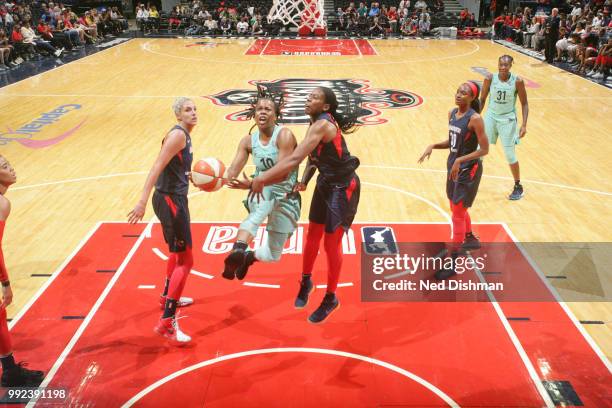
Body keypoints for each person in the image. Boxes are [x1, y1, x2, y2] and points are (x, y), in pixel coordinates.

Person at [250, 87, 361, 324]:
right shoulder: (314, 124)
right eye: (308, 96)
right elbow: (313, 158)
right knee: (312, 236)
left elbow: (294, 159)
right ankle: (306, 281)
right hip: (325, 183)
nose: (308, 98)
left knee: (331, 245)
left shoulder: (322, 125)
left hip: (343, 188)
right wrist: (304, 181)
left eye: (315, 97)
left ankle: (331, 298)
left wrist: (262, 177)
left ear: (326, 107)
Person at [128, 98, 197, 345]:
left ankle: (166, 295)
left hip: (173, 198)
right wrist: (141, 201)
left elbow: (175, 168)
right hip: (170, 201)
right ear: (178, 115)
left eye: (195, 109)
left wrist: (192, 178)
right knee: (186, 260)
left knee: (176, 254)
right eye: (188, 110)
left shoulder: (184, 135)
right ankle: (167, 320)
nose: (193, 113)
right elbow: (157, 166)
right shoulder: (178, 136)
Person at [222, 87, 301, 281]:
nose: (263, 112)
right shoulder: (248, 141)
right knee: (260, 208)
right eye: (259, 109)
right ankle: (238, 248)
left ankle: (248, 257)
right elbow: (232, 171)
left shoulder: (284, 136)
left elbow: (283, 173)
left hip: (286, 195)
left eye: (268, 109)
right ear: (254, 114)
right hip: (262, 190)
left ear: (276, 115)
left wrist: (251, 184)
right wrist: (208, 179)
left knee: (273, 255)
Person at [418, 82, 489, 280]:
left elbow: (484, 149)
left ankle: (453, 262)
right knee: (454, 206)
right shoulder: (452, 113)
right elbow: (454, 141)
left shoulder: (475, 120)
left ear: (472, 98)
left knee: (457, 213)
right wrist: (433, 144)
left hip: (468, 168)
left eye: (464, 93)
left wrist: (460, 159)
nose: (458, 95)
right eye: (458, 91)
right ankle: (470, 238)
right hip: (454, 166)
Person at [0, 156, 45, 387]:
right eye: (5, 167)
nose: (12, 168)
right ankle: (10, 373)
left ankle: (10, 371)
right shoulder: (1, 204)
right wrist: (6, 283)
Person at [479, 55, 529, 200]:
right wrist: (474, 117)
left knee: (509, 154)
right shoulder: (489, 78)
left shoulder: (517, 81)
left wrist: (524, 125)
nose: (503, 67)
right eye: (501, 64)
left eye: (506, 65)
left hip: (507, 119)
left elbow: (524, 104)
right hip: (491, 117)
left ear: (511, 66)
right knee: (479, 150)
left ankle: (518, 186)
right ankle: (472, 180)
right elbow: (482, 100)